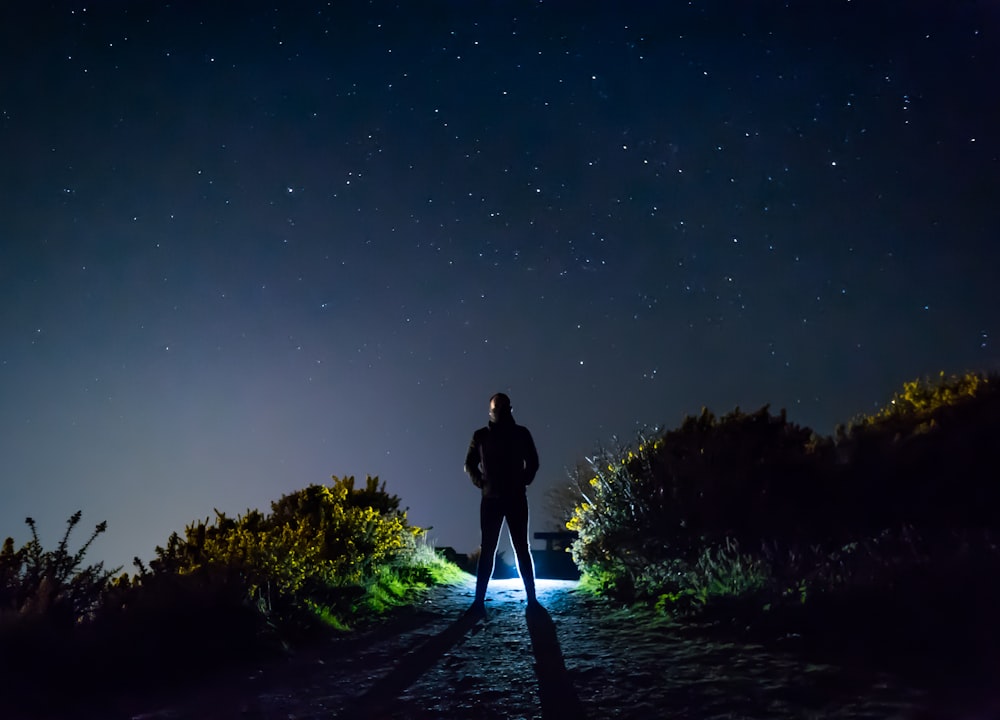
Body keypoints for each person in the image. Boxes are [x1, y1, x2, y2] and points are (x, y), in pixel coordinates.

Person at [464, 392, 540, 613]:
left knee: (521, 548)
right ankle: (479, 601)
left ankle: (532, 599)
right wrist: (483, 484)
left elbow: (533, 462)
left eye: (504, 408)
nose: (501, 412)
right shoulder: (481, 436)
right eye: (498, 408)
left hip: (515, 497)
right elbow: (469, 464)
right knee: (488, 549)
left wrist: (522, 482)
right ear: (492, 411)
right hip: (491, 499)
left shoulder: (521, 433)